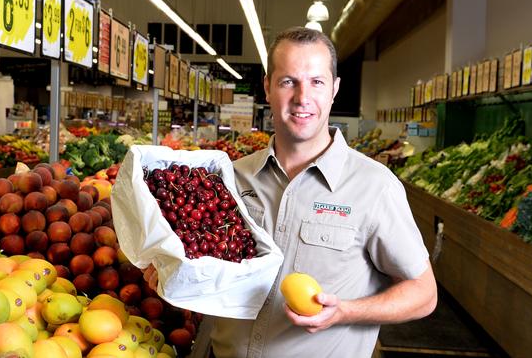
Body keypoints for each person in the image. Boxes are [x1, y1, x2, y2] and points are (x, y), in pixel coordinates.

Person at [145, 26, 437, 358]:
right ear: (268, 87)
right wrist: (172, 276)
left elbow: (424, 293)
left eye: (316, 82)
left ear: (334, 90)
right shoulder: (230, 178)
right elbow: (208, 270)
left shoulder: (374, 187)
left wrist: (345, 311)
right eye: (288, 82)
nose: (302, 98)